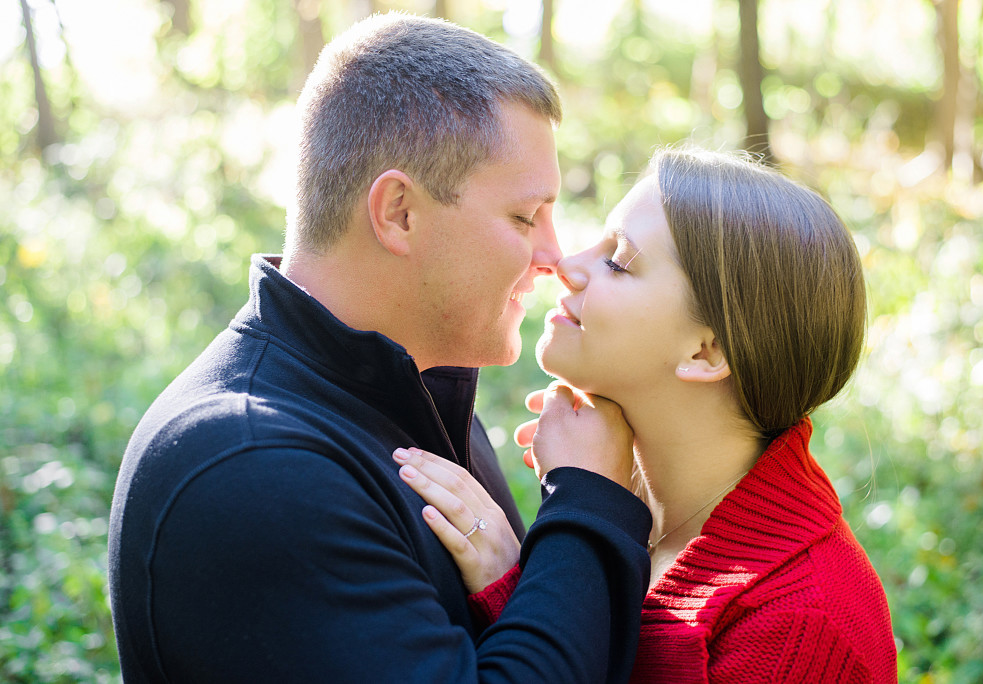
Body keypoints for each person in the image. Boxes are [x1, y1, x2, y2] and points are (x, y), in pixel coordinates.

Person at [107, 13, 652, 683]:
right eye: (523, 216)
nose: (555, 256)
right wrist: (588, 499)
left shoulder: (410, 390)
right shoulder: (251, 469)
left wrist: (518, 576)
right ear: (398, 211)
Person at [399, 146, 899, 682]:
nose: (567, 266)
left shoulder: (803, 625)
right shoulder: (649, 517)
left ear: (705, 353)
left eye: (619, 260)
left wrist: (517, 581)